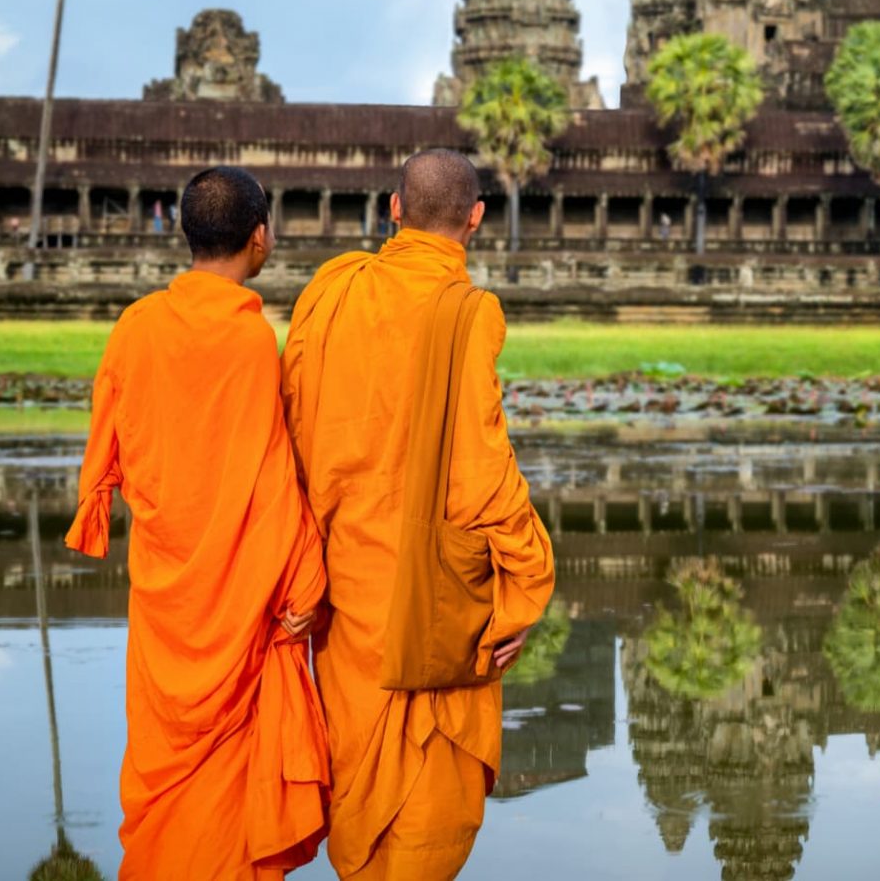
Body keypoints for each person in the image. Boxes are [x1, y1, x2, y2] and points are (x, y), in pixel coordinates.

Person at [281, 148, 558, 880]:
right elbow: (482, 472)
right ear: (476, 220)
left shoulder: (330, 290)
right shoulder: (469, 313)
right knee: (426, 809)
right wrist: (527, 587)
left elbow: (293, 431)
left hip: (344, 591)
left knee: (360, 772)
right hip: (430, 607)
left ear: (394, 211)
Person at [65, 165, 331, 880]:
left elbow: (107, 456)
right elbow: (273, 476)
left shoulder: (136, 327)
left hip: (167, 594)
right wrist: (306, 578)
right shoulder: (250, 342)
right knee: (232, 810)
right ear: (260, 239)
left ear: (184, 234)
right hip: (240, 600)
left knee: (168, 777)